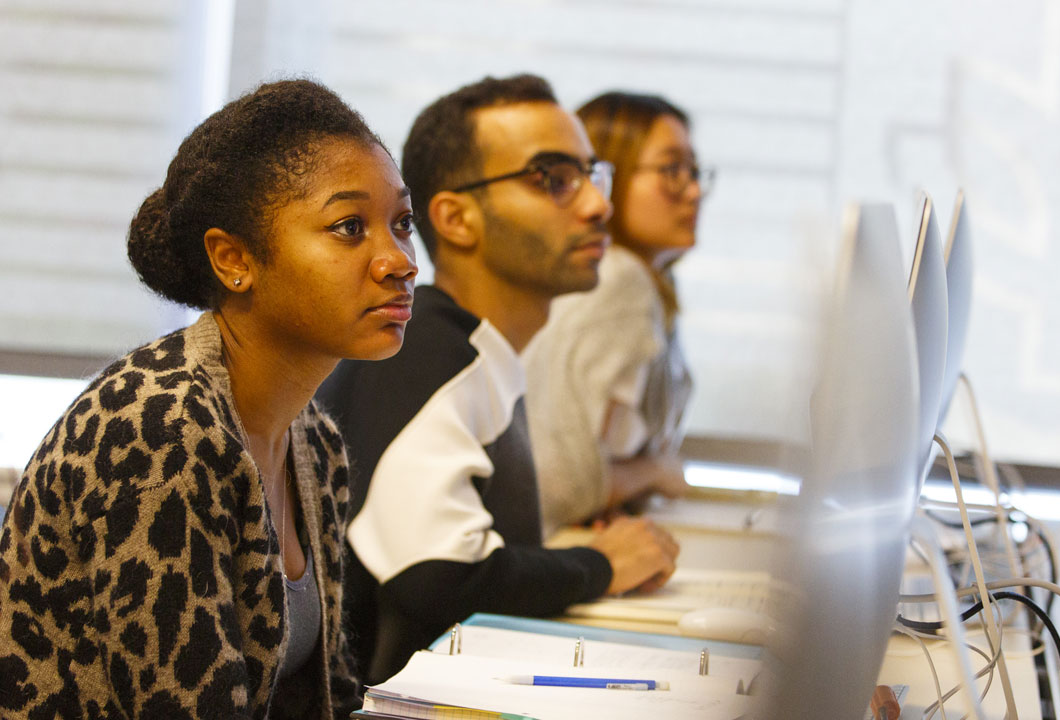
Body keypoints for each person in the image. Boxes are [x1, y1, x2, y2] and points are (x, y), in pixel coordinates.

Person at [0, 79, 418, 718]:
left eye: (401, 224)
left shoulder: (315, 445)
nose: (398, 261)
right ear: (233, 260)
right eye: (349, 227)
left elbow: (324, 699)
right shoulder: (157, 431)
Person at [317, 74, 680, 683]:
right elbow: (437, 578)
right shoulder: (425, 355)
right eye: (555, 180)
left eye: (594, 177)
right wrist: (597, 564)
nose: (598, 205)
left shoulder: (472, 350)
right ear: (457, 219)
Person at [522, 92, 712, 532]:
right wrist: (657, 473)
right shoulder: (618, 278)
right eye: (672, 171)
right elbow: (558, 484)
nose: (695, 190)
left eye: (695, 171)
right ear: (609, 175)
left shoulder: (651, 281)